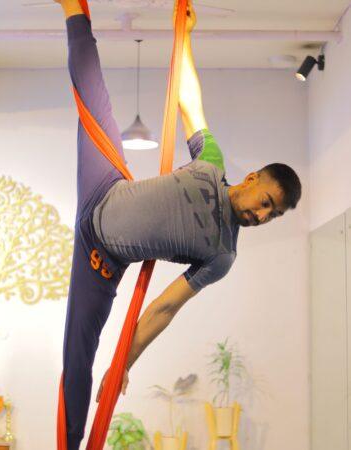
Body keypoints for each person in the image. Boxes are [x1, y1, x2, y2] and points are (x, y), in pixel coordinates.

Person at [56, 0, 302, 448]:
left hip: (102, 259)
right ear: (251, 181)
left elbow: (164, 308)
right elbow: (190, 97)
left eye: (274, 215)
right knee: (93, 97)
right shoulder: (211, 162)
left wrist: (125, 361)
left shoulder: (223, 253)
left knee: (78, 358)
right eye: (267, 202)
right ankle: (75, 9)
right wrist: (184, 36)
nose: (263, 216)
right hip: (106, 186)